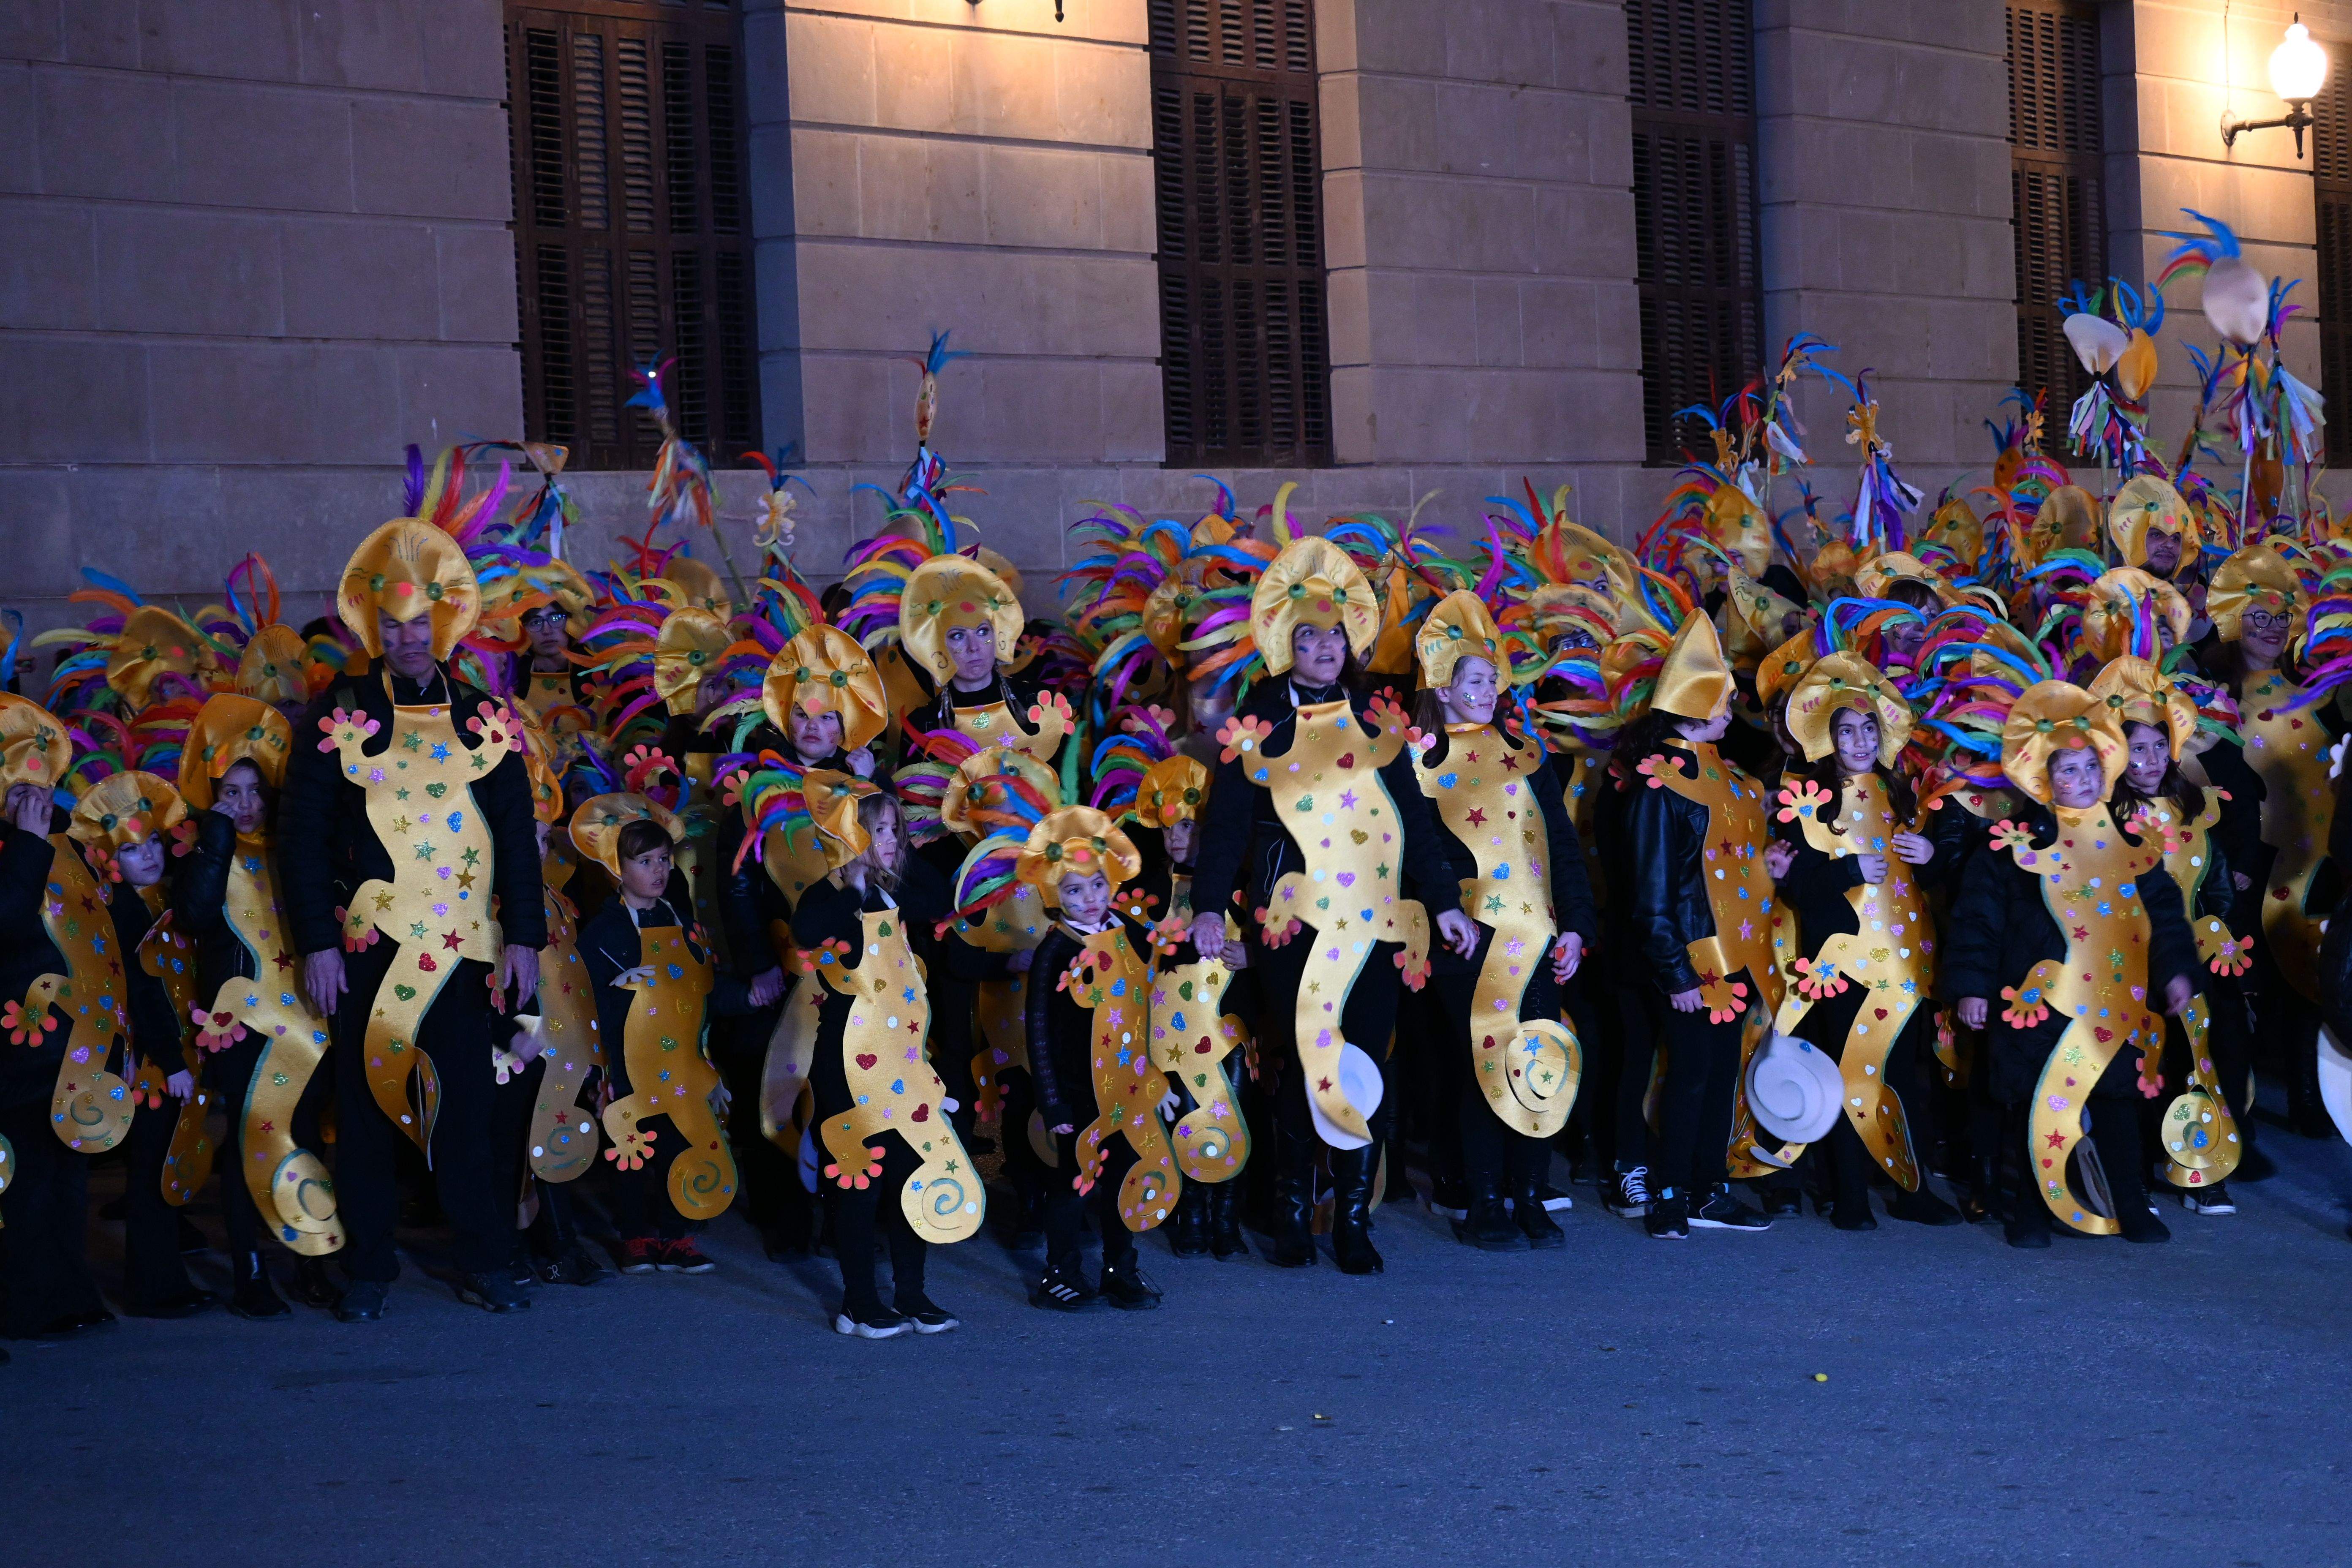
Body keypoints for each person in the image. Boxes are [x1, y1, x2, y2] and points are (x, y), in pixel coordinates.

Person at [278, 517, 546, 1320]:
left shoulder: (481, 719)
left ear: (442, 622)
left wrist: (524, 935)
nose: (404, 638)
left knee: (467, 1106)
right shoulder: (340, 716)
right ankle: (369, 1268)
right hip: (370, 951)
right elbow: (300, 839)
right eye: (389, 625)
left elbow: (516, 837)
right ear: (374, 627)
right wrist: (318, 946)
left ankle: (485, 1258)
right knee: (362, 1114)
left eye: (415, 623)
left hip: (465, 951)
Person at [1186, 536, 1473, 1274]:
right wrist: (1211, 906)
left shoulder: (1378, 720)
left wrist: (1441, 903)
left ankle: (1350, 1218)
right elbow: (1222, 827)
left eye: (1332, 636)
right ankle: (1289, 1211)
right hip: (1295, 925)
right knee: (1299, 1056)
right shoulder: (1259, 719)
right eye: (1306, 636)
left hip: (1376, 925)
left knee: (1360, 1065)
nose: (1321, 648)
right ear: (1288, 643)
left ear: (1348, 643)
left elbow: (1413, 822)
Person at [1946, 681, 2199, 1249]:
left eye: (2091, 768)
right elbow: (1977, 921)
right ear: (2044, 778)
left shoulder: (2130, 842)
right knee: (2039, 1104)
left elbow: (2163, 917)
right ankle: (2029, 1211)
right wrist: (1972, 987)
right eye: (2069, 771)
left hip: (2113, 998)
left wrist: (2175, 971)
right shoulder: (2012, 845)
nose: (2083, 782)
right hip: (2037, 999)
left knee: (2116, 1101)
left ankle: (2130, 1205)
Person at [1407, 591, 1597, 1250]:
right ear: (1446, 688)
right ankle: (1484, 1197)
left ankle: (1528, 1192)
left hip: (1540, 935)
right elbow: (1420, 852)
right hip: (1474, 938)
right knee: (1484, 1063)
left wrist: (1576, 924)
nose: (1488, 690)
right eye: (1475, 680)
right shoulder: (1424, 763)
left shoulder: (1527, 756)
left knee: (1539, 1057)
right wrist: (1443, 912)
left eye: (1493, 679)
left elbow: (1562, 848)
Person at [1618, 611, 1795, 1239]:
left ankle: (1708, 1187)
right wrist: (1675, 970)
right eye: (1722, 699)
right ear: (1695, 708)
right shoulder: (1660, 785)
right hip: (1695, 962)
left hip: (1740, 956)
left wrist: (1768, 867)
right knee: (1689, 1075)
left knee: (1721, 1075)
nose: (1733, 707)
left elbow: (1735, 872)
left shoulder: (1734, 781)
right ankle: (1669, 1194)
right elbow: (1654, 889)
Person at [1770, 653, 1963, 1230]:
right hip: (1840, 960)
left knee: (1902, 1076)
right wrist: (1847, 871)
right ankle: (1847, 1191)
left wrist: (1932, 858)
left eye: (1868, 729)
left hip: (1902, 961)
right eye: (1846, 731)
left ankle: (1912, 1186)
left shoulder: (1901, 792)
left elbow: (1921, 878)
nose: (1859, 739)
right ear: (1828, 740)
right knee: (1841, 1070)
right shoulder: (1807, 799)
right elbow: (1795, 884)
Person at [791, 773, 983, 1337]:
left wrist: (886, 871)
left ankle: (912, 1293)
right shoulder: (830, 895)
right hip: (846, 1061)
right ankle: (858, 1301)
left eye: (896, 831)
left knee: (909, 1171)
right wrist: (851, 879)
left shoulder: (898, 892)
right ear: (853, 835)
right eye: (880, 831)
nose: (894, 841)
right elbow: (808, 932)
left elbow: (940, 898)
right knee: (859, 1177)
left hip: (902, 1061)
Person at [174, 695, 343, 1318]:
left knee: (304, 1141)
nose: (244, 806)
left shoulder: (293, 853)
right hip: (242, 1025)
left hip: (304, 1019)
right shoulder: (204, 854)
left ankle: (310, 1257)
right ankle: (248, 1269)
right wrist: (215, 834)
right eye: (230, 794)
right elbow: (192, 916)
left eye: (253, 793)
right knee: (252, 1141)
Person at [574, 794, 775, 1274]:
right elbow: (581, 999)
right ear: (617, 868)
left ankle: (679, 1233)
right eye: (645, 861)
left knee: (681, 1143)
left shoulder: (684, 924)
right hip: (628, 1064)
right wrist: (616, 992)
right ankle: (636, 1235)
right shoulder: (601, 932)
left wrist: (744, 997)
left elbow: (703, 986)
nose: (659, 870)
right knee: (632, 1151)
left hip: (681, 1060)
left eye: (664, 860)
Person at [2095, 657, 2249, 1215]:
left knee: (2197, 1064)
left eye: (2159, 748)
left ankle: (2197, 1169)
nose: (2149, 760)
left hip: (2187, 960)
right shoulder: (2105, 814)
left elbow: (2214, 882)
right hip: (2127, 961)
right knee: (2140, 1069)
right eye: (2137, 750)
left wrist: (2218, 932)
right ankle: (2133, 1175)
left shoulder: (2192, 807)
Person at [71, 772, 217, 1318]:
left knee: (167, 1164)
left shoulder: (160, 897)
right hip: (156, 1065)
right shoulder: (126, 912)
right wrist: (174, 1060)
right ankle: (154, 1288)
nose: (149, 856)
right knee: (153, 1171)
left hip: (178, 1054)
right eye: (132, 851)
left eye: (153, 842)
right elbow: (145, 993)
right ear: (112, 861)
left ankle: (163, 1274)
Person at [0, 694, 121, 1341]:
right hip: (15, 1043)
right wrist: (22, 842)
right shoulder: (18, 844)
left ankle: (69, 1294)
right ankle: (27, 1304)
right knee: (22, 1183)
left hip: (69, 1043)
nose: (35, 798)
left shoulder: (59, 838)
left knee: (64, 1174)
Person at [1019, 808, 1171, 1309]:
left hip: (1125, 1088)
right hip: (1078, 1092)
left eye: (1098, 886)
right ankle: (1059, 1271)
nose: (1091, 899)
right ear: (1053, 896)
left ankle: (1119, 1269)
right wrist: (1053, 1102)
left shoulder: (1125, 931)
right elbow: (1038, 1028)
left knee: (1125, 1177)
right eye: (1075, 891)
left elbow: (1143, 1004)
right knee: (1072, 1183)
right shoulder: (1054, 950)